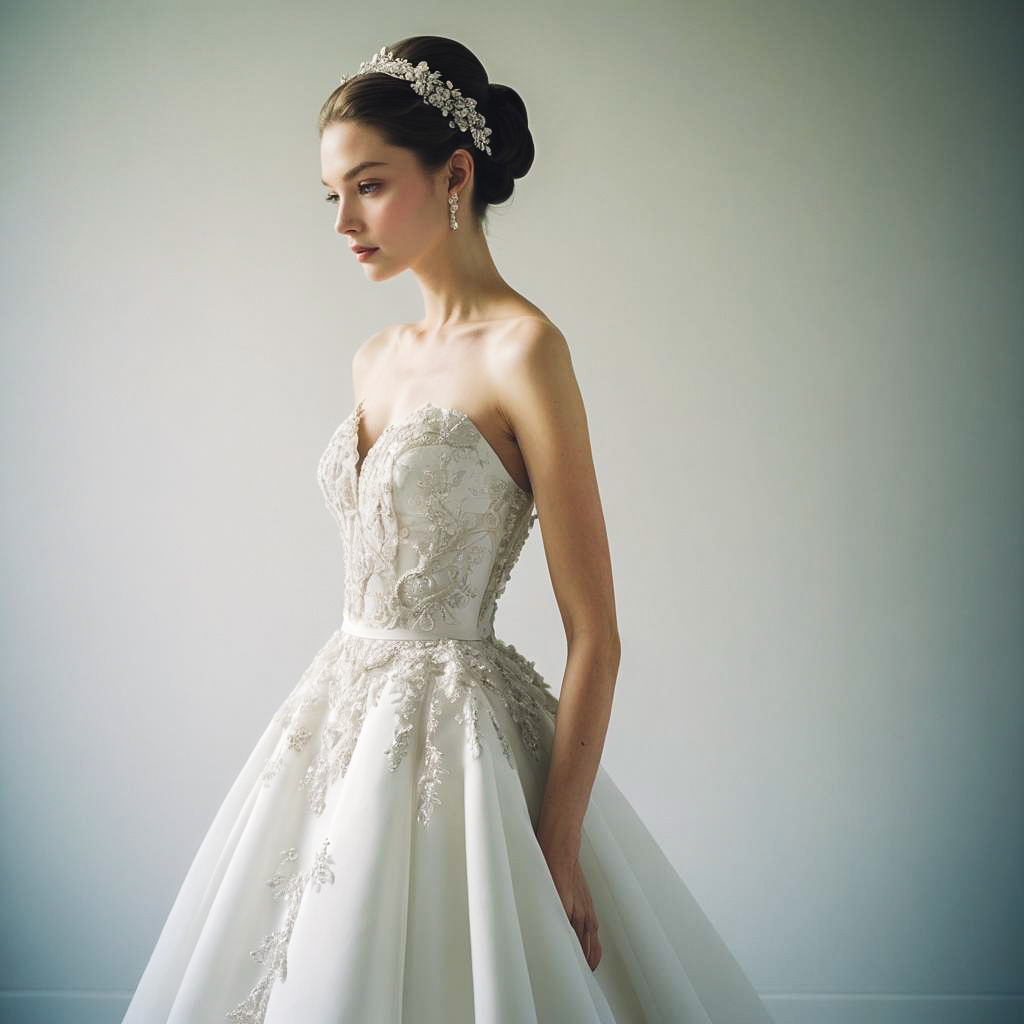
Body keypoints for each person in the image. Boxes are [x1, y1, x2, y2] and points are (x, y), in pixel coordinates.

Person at [122, 35, 775, 1024]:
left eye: (369, 186)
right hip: (335, 715)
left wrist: (555, 847)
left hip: (460, 741)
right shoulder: (374, 357)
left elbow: (595, 630)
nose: (343, 220)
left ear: (455, 173)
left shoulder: (527, 350)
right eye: (332, 195)